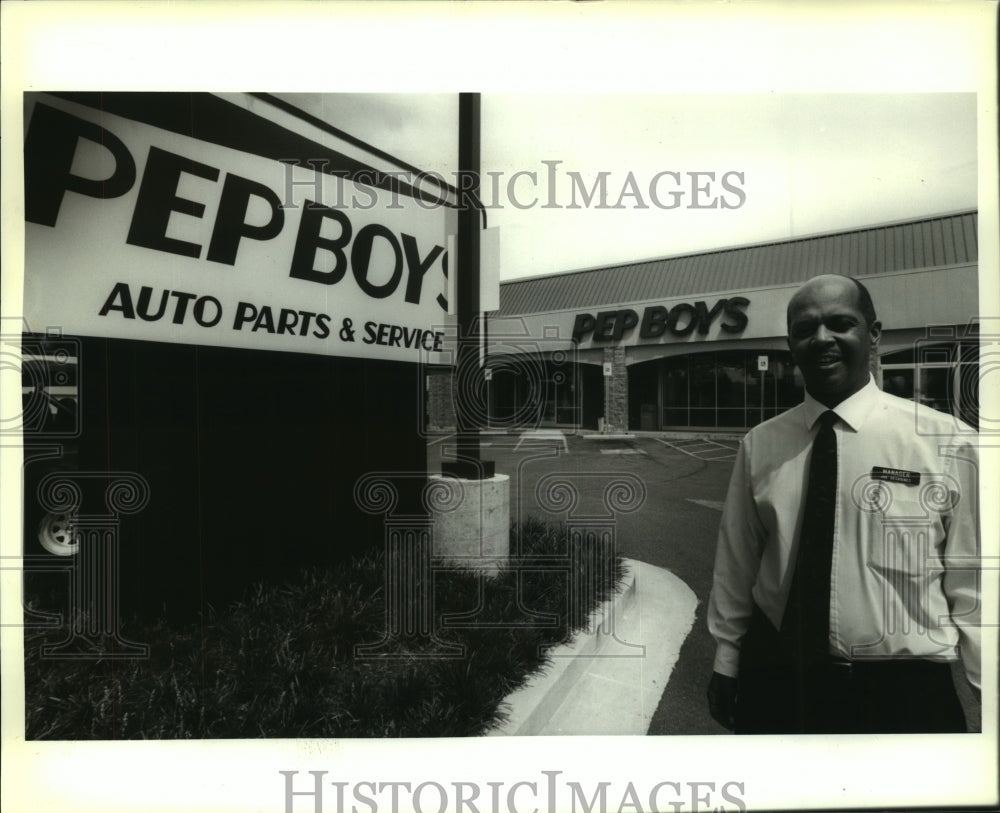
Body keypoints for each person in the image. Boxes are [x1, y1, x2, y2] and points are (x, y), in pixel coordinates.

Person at [706, 274, 981, 734]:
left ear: (873, 334)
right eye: (805, 329)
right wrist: (727, 659)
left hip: (905, 698)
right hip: (779, 684)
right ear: (790, 343)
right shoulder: (761, 446)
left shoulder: (946, 442)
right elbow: (736, 566)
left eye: (840, 323)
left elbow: (976, 589)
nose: (821, 339)